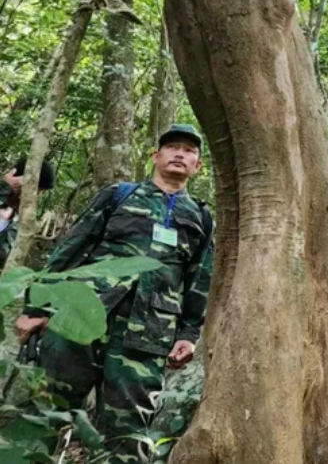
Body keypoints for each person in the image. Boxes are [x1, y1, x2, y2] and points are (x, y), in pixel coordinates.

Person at [15, 124, 214, 464]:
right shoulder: (119, 194)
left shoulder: (201, 216)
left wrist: (189, 333)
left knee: (129, 435)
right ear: (156, 156)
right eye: (172, 147)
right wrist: (36, 307)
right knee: (44, 415)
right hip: (79, 320)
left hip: (146, 336)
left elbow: (198, 279)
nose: (180, 154)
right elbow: (72, 247)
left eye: (189, 150)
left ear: (197, 166)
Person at [0, 156, 57, 269]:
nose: (38, 195)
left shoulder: (17, 212)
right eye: (39, 190)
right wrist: (5, 187)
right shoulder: (4, 196)